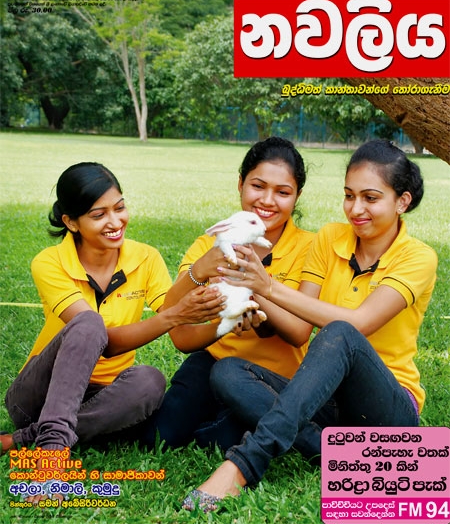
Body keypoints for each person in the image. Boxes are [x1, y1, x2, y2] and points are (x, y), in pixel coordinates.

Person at [181, 139, 438, 512]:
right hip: (328, 402)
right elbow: (300, 322)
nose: (356, 209)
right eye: (349, 196)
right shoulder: (330, 238)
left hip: (388, 407)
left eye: (370, 198)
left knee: (341, 332)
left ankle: (243, 464)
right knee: (228, 371)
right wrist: (249, 295)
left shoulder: (418, 257)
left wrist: (266, 286)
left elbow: (359, 324)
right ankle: (337, 453)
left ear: (402, 202)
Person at [0, 162, 224, 504]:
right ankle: (51, 456)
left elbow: (181, 337)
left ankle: (22, 439)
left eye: (120, 208)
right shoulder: (49, 262)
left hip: (103, 397)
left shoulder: (145, 258)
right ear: (71, 222)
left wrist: (224, 321)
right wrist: (174, 315)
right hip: (39, 395)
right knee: (90, 323)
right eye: (98, 214)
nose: (115, 221)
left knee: (150, 380)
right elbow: (101, 342)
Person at [141, 136, 315, 451]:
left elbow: (298, 333)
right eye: (258, 186)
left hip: (273, 378)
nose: (268, 200)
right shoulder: (210, 244)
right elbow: (179, 333)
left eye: (283, 192)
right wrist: (200, 271)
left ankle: (236, 422)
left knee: (217, 440)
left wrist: (255, 292)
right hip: (214, 360)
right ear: (240, 184)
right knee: (160, 438)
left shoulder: (310, 248)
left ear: (297, 196)